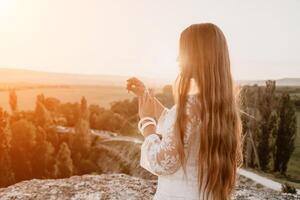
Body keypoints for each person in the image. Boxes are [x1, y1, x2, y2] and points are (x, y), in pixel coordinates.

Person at [126, 23, 242, 200]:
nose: (177, 59)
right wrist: (146, 96)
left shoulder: (190, 105)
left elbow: (163, 163)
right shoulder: (218, 104)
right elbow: (178, 126)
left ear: (197, 57)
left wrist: (147, 123)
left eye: (183, 51)